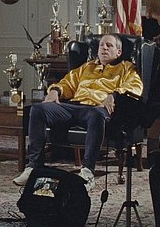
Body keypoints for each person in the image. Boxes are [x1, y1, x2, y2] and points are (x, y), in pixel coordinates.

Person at [13, 34, 143, 192]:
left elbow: (135, 87)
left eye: (109, 45)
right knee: (38, 109)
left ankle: (87, 172)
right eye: (101, 45)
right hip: (74, 106)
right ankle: (34, 167)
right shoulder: (87, 67)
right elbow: (68, 83)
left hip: (97, 109)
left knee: (96, 114)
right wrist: (55, 90)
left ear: (119, 52)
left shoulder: (126, 68)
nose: (104, 48)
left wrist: (113, 95)